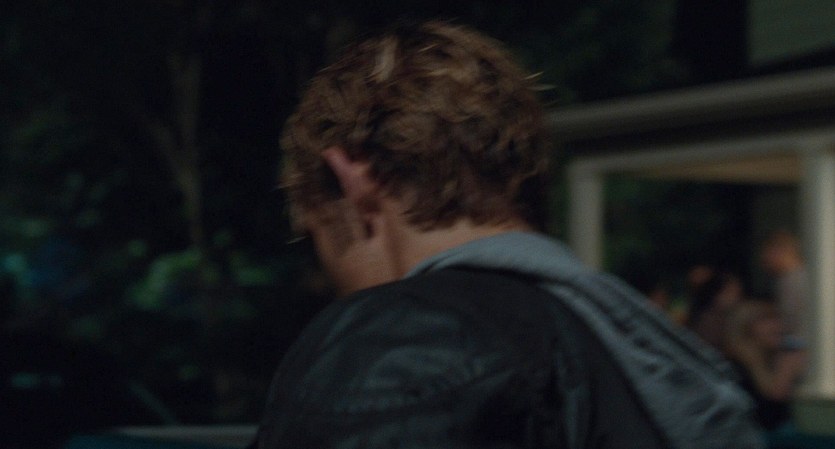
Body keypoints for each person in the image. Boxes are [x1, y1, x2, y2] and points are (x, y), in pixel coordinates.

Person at [255, 21, 762, 449]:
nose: (332, 280)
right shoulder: (640, 354)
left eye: (318, 241)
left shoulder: (406, 337)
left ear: (356, 183)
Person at [725, 300, 807, 430]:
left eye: (776, 320)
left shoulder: (773, 356)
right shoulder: (736, 363)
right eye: (765, 321)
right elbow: (775, 396)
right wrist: (787, 368)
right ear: (745, 328)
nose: (777, 327)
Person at [760, 230, 808, 349]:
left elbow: (793, 321)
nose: (763, 258)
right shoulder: (785, 279)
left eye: (766, 252)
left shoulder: (798, 280)